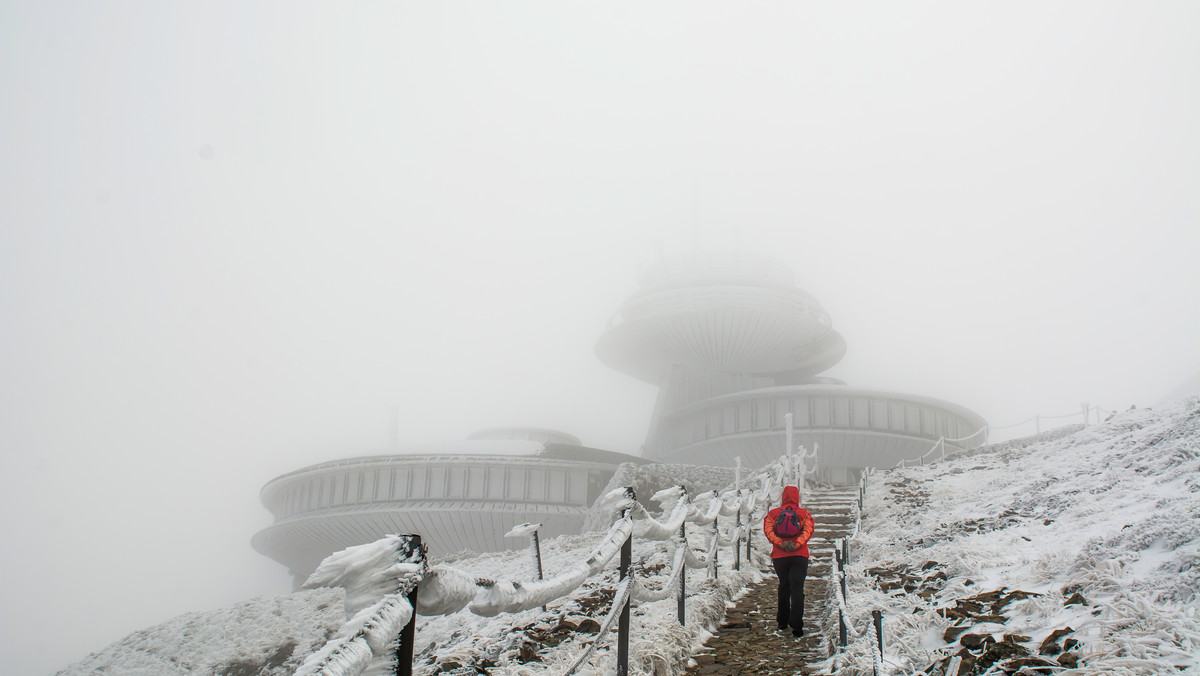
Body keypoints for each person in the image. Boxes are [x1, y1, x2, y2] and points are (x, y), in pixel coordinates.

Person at [763, 485, 815, 637]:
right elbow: (808, 531)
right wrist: (796, 544)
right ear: (797, 497)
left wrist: (780, 543)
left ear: (783, 496)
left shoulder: (773, 514)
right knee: (797, 589)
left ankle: (782, 622)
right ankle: (797, 626)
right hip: (799, 555)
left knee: (784, 585)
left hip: (780, 557)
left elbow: (768, 531)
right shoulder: (803, 513)